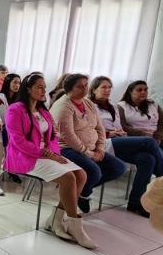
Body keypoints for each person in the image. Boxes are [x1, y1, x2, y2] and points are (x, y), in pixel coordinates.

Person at [5, 73, 91, 247]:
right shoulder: (15, 110)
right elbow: (18, 141)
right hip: (24, 157)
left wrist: (52, 153)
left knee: (81, 175)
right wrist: (45, 153)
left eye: (44, 87)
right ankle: (75, 224)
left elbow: (52, 137)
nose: (44, 90)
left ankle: (55, 219)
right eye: (39, 87)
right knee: (69, 178)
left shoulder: (43, 111)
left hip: (46, 155)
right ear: (28, 89)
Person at [89, 77, 163, 217]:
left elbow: (121, 126)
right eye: (103, 87)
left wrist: (121, 132)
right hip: (104, 142)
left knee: (148, 159)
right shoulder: (89, 106)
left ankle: (135, 203)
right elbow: (88, 130)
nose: (107, 90)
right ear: (93, 90)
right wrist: (110, 133)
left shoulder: (113, 106)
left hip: (119, 140)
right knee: (149, 142)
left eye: (110, 87)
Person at [51, 73, 126, 216]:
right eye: (80, 86)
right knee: (94, 172)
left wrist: (100, 149)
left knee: (118, 168)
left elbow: (99, 128)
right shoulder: (63, 106)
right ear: (69, 88)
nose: (85, 89)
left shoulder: (89, 103)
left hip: (91, 148)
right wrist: (89, 154)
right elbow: (68, 136)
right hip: (65, 148)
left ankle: (82, 192)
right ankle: (75, 199)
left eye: (86, 85)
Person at [117, 80, 163, 175]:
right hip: (140, 139)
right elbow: (122, 126)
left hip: (158, 137)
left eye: (146, 90)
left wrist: (158, 135)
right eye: (139, 90)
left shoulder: (153, 104)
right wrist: (142, 133)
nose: (143, 92)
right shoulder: (121, 106)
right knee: (161, 156)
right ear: (130, 92)